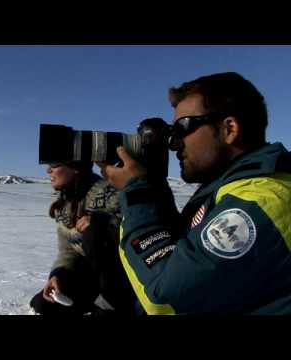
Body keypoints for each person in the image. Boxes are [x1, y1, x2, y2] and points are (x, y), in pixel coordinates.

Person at [97, 72, 291, 314]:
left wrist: (137, 192)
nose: (174, 143)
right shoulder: (228, 191)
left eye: (183, 128)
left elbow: (166, 298)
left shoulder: (263, 201)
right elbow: (181, 254)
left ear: (229, 129)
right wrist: (153, 190)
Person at [29, 161, 138, 316]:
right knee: (43, 304)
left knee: (93, 232)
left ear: (75, 168)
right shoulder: (64, 204)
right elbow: (68, 250)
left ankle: (113, 303)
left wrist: (102, 222)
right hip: (90, 278)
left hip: (122, 279)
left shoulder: (109, 192)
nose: (48, 170)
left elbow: (137, 225)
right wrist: (58, 275)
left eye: (54, 165)